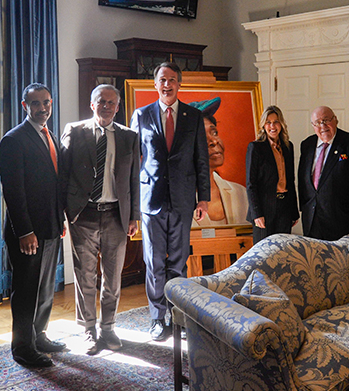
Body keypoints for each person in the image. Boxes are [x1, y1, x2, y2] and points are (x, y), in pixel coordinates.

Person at [131, 62, 210, 342]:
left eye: (172, 80)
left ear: (179, 84)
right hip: (150, 201)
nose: (167, 84)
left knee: (178, 261)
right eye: (162, 80)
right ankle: (157, 318)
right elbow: (132, 164)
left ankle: (178, 316)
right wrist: (132, 207)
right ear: (155, 84)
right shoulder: (141, 115)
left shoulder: (194, 117)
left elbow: (202, 161)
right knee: (153, 262)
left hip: (183, 200)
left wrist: (204, 199)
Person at [61, 84, 140, 355]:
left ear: (118, 107)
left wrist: (134, 217)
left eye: (111, 102)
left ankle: (108, 327)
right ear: (92, 104)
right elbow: (63, 174)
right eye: (101, 101)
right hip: (83, 214)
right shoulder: (75, 130)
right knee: (84, 275)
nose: (106, 106)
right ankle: (87, 330)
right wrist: (64, 213)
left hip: (117, 215)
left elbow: (134, 181)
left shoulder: (130, 136)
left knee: (113, 276)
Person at [0, 83, 65, 367]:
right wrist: (25, 231)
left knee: (46, 287)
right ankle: (23, 348)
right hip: (26, 232)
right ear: (25, 106)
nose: (42, 108)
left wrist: (59, 219)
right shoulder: (13, 140)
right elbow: (13, 191)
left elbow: (54, 184)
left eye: (46, 103)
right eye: (36, 103)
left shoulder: (50, 135)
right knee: (26, 290)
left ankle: (39, 335)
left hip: (50, 227)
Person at [298, 105, 349, 241]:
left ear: (336, 120)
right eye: (318, 123)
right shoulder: (307, 145)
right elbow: (303, 180)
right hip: (312, 219)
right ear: (313, 125)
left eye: (326, 120)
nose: (323, 126)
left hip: (343, 220)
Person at [189, 97, 249, 227]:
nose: (214, 141)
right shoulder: (173, 200)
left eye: (214, 132)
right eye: (202, 137)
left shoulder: (241, 194)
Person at [246, 105, 299, 244]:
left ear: (281, 124)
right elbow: (251, 184)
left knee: (283, 252)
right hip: (264, 209)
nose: (272, 126)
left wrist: (294, 212)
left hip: (284, 208)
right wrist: (257, 214)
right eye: (268, 122)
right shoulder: (256, 147)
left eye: (276, 122)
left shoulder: (288, 147)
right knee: (264, 254)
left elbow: (290, 180)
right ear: (263, 125)